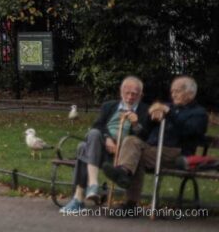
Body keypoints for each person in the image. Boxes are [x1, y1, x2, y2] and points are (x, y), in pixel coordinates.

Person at [103, 76, 208, 207]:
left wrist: (169, 113)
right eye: (172, 90)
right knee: (132, 141)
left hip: (178, 153)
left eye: (178, 91)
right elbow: (145, 131)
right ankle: (125, 177)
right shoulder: (168, 107)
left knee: (136, 154)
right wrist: (150, 115)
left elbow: (191, 131)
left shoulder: (198, 113)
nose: (173, 94)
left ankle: (128, 191)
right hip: (153, 149)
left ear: (191, 93)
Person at [59, 76, 149, 214]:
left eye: (134, 94)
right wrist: (107, 138)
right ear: (120, 92)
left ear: (140, 95)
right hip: (102, 147)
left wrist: (136, 124)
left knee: (83, 148)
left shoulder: (144, 111)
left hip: (123, 155)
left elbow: (145, 137)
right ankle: (93, 184)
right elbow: (97, 125)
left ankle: (78, 199)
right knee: (94, 134)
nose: (130, 97)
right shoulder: (109, 106)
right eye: (127, 92)